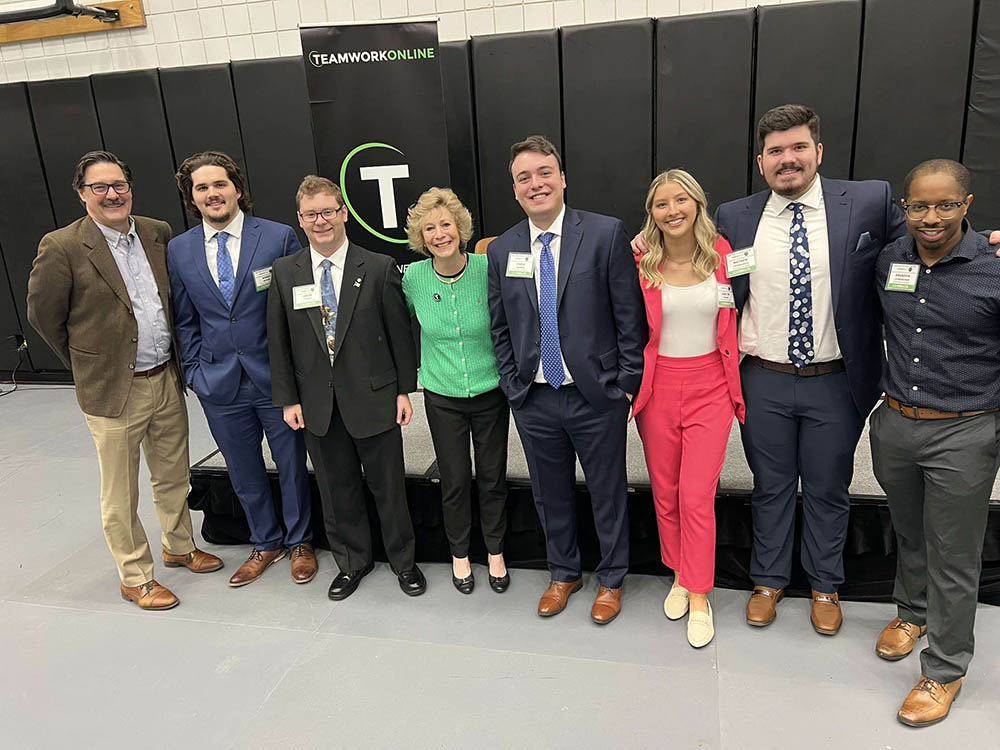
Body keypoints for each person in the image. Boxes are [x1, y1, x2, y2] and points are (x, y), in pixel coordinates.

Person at [713, 104, 909, 635]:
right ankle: (768, 581)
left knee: (828, 486)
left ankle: (825, 584)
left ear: (818, 151)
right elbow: (695, 263)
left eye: (798, 147)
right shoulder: (735, 216)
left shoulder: (868, 201)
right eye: (776, 151)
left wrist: (982, 248)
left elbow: (922, 242)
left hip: (835, 380)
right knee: (770, 485)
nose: (788, 159)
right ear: (761, 161)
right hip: (764, 377)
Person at [26, 150, 223, 610]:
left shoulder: (157, 233)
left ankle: (179, 546)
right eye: (100, 187)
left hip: (164, 379)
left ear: (130, 188)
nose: (112, 194)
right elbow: (43, 317)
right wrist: (89, 360)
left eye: (119, 185)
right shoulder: (62, 247)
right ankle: (135, 575)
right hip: (113, 390)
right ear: (82, 195)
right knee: (121, 489)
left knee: (173, 474)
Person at [487, 135, 646, 624]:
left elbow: (629, 317)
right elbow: (500, 325)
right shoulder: (503, 249)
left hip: (596, 395)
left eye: (543, 173)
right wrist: (515, 388)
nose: (535, 184)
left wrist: (624, 383)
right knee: (547, 491)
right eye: (523, 178)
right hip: (535, 398)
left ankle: (612, 578)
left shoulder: (602, 233)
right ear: (514, 189)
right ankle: (564, 572)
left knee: (607, 490)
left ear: (562, 178)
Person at [870, 159, 999, 727]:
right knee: (909, 529)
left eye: (945, 204)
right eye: (919, 205)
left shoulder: (994, 267)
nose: (931, 217)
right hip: (897, 423)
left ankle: (944, 670)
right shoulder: (889, 260)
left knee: (954, 553)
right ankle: (912, 613)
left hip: (966, 430)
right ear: (905, 206)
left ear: (967, 205)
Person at [267, 175, 425, 599]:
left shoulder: (377, 267)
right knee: (337, 491)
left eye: (328, 212)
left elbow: (400, 334)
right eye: (311, 214)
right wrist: (287, 400)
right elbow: (278, 340)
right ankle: (352, 563)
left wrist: (403, 390)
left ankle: (404, 562)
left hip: (375, 398)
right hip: (317, 403)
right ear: (300, 219)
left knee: (388, 487)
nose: (321, 221)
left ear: (344, 214)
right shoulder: (286, 272)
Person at [168, 151, 316, 587]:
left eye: (220, 184)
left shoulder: (277, 237)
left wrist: (296, 374)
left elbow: (299, 311)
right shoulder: (179, 249)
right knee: (243, 470)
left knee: (291, 464)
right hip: (218, 383)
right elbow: (184, 318)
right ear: (191, 198)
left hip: (277, 381)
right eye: (202, 188)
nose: (212, 193)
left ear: (237, 188)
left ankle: (300, 542)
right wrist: (195, 372)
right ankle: (265, 541)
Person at [631, 169, 745, 648]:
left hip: (710, 386)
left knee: (697, 494)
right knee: (666, 491)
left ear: (697, 204)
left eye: (681, 200)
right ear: (651, 214)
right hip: (657, 388)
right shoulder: (638, 260)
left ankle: (699, 593)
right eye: (662, 204)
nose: (673, 210)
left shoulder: (723, 255)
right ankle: (679, 571)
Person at [402, 187, 510, 594]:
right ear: (421, 237)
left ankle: (496, 553)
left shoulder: (486, 268)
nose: (439, 234)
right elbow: (396, 331)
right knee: (454, 479)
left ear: (460, 228)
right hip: (442, 396)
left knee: (492, 477)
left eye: (445, 224)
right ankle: (460, 555)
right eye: (429, 228)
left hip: (490, 392)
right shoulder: (412, 278)